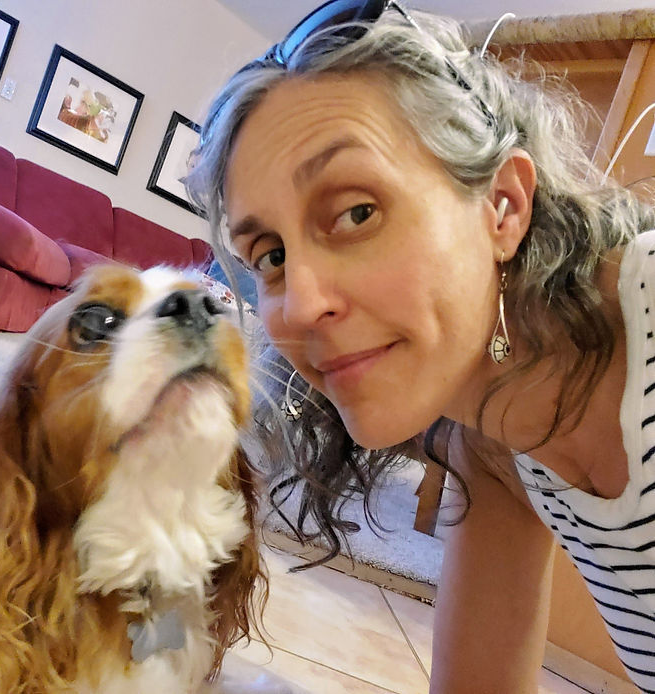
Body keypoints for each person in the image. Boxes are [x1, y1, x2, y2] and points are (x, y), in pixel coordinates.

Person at [186, 0, 655, 692]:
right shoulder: (494, 445)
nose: (303, 305)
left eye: (356, 213)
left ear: (503, 206)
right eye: (271, 255)